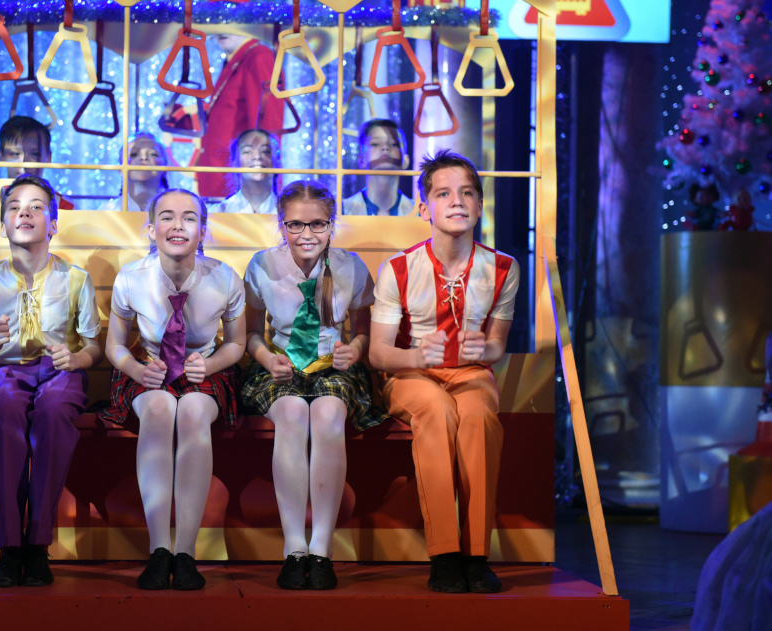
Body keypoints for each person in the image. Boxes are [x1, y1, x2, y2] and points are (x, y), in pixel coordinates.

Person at [369, 149, 519, 594]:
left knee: (477, 418)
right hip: (411, 376)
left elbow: (497, 345)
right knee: (436, 410)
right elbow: (378, 354)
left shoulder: (504, 268)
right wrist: (418, 358)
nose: (457, 201)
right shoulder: (398, 268)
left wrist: (486, 349)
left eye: (467, 193)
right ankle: (445, 554)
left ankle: (476, 555)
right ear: (424, 208)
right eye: (443, 193)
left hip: (470, 374)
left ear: (480, 205)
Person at [241, 179, 387, 590]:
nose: (307, 234)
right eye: (295, 225)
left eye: (318, 224)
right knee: (291, 413)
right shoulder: (262, 265)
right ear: (282, 225)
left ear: (330, 224)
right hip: (281, 365)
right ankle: (294, 548)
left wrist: (353, 351)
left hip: (332, 367)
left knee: (326, 415)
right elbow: (250, 334)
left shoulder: (350, 267)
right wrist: (267, 359)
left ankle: (321, 549)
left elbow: (363, 332)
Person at [0, 173, 102, 588]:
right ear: (3, 224)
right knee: (2, 407)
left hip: (59, 372)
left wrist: (76, 358)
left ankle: (37, 545)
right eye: (14, 207)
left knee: (54, 412)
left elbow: (94, 347)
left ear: (53, 224)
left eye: (36, 207)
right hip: (7, 372)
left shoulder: (75, 279)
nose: (24, 213)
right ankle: (10, 547)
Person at [103, 188, 246, 590]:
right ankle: (159, 549)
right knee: (160, 409)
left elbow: (237, 344)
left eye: (189, 217)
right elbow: (114, 346)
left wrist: (209, 365)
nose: (177, 225)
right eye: (166, 216)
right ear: (151, 229)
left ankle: (186, 552)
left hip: (205, 370)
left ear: (203, 230)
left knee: (195, 411)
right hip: (150, 368)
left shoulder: (225, 278)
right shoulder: (132, 277)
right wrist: (136, 369)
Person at [0, 116, 75, 328]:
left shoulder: (67, 208)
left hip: (53, 320)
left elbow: (75, 277)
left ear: (48, 157)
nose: (24, 163)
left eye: (34, 154)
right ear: (0, 155)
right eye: (15, 154)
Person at [194, 33, 285, 198]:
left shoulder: (258, 56)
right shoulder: (238, 58)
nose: (223, 30)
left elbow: (268, 120)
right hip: (222, 177)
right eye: (219, 23)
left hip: (236, 182)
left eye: (231, 22)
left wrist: (261, 180)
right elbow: (225, 117)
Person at [342, 119, 414, 217]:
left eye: (394, 144)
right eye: (375, 144)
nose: (385, 148)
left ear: (405, 161)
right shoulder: (342, 211)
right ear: (361, 160)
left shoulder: (419, 213)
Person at [210, 128, 280, 214]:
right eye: (247, 151)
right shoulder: (219, 212)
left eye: (265, 151)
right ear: (234, 162)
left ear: (277, 161)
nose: (257, 156)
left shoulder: (287, 213)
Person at [100, 133, 171, 213]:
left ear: (165, 165)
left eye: (153, 154)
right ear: (121, 169)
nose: (144, 158)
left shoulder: (178, 208)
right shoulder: (108, 211)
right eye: (134, 154)